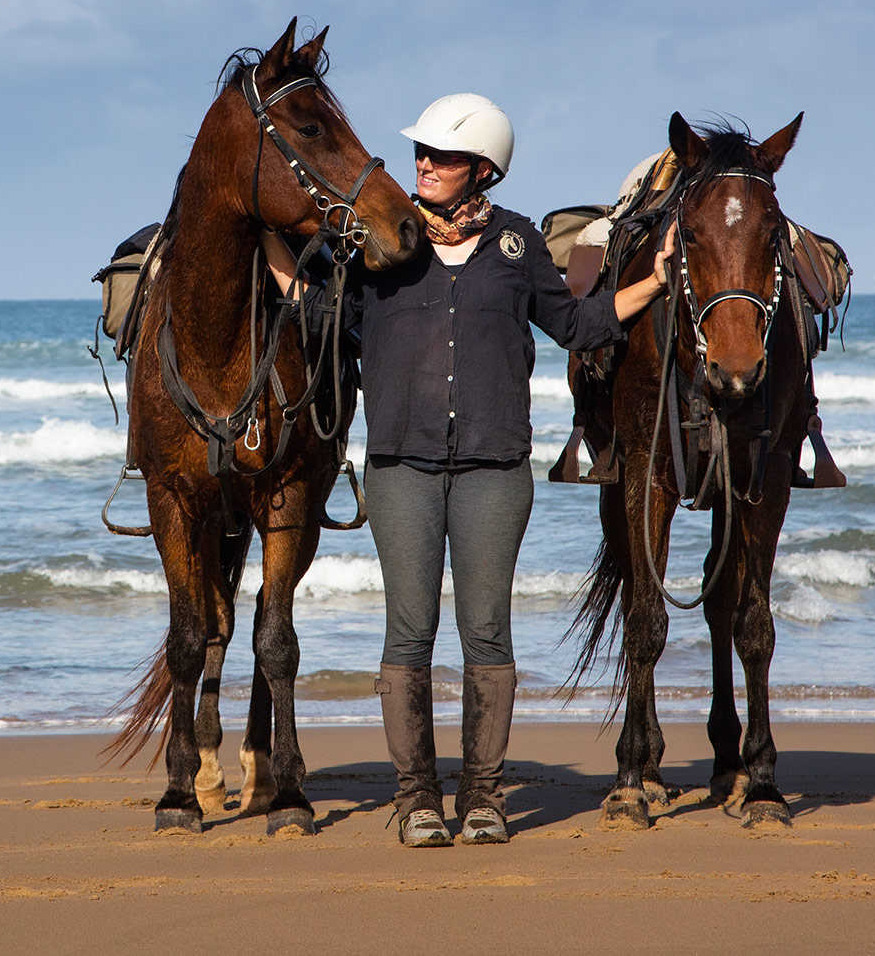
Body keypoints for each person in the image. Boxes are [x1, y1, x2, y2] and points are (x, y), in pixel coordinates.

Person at [263, 94, 671, 847]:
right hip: (400, 466)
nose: (424, 163)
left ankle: (484, 798)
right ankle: (416, 798)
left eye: (442, 155)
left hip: (493, 467)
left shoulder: (516, 244)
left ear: (482, 166)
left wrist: (654, 281)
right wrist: (280, 263)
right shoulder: (384, 241)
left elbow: (575, 325)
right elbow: (329, 318)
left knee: (487, 633)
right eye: (420, 151)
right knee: (408, 634)